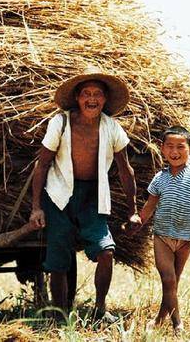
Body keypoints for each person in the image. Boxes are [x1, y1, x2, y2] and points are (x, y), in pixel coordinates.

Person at [29, 67, 141, 322]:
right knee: (58, 259)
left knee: (106, 251)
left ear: (105, 99)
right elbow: (43, 164)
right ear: (77, 98)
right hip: (59, 195)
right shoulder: (61, 122)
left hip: (92, 198)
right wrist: (36, 207)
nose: (92, 99)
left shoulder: (111, 127)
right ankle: (59, 316)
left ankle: (100, 309)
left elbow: (126, 170)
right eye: (86, 94)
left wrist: (133, 211)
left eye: (98, 94)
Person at [134, 125, 190, 335]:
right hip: (162, 236)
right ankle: (177, 323)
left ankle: (159, 319)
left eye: (180, 146)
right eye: (170, 146)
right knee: (168, 280)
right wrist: (138, 221)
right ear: (162, 149)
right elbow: (150, 206)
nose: (175, 152)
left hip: (185, 239)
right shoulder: (159, 178)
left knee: (172, 283)